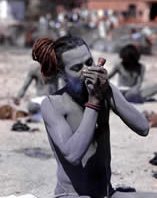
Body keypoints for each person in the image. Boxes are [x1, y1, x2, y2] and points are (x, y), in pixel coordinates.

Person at [32, 36, 156, 198]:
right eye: (77, 68)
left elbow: (143, 127)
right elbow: (72, 155)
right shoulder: (53, 104)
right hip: (72, 195)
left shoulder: (105, 89)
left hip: (105, 193)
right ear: (61, 74)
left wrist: (108, 92)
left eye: (89, 63)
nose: (87, 71)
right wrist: (94, 102)